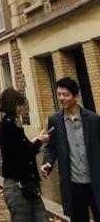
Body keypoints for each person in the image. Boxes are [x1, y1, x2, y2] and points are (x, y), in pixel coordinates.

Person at [42, 77, 100, 222]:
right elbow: (51, 148)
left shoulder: (93, 120)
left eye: (65, 95)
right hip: (73, 185)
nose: (62, 98)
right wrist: (47, 163)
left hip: (96, 182)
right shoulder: (55, 120)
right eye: (59, 94)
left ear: (75, 96)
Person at [0, 87, 49, 222]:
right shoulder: (9, 125)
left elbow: (20, 148)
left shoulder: (13, 124)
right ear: (11, 104)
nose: (21, 108)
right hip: (18, 187)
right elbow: (22, 154)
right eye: (19, 105)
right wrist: (39, 142)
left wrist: (35, 140)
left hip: (28, 186)